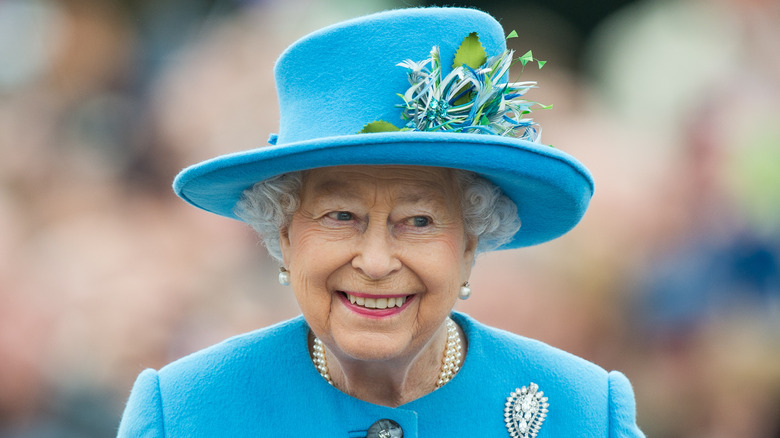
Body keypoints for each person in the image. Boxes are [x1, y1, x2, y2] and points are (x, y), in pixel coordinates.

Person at [118, 7, 644, 437]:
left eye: (418, 220)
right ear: (284, 234)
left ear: (470, 242)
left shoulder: (583, 413)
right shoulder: (185, 413)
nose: (374, 262)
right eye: (340, 216)